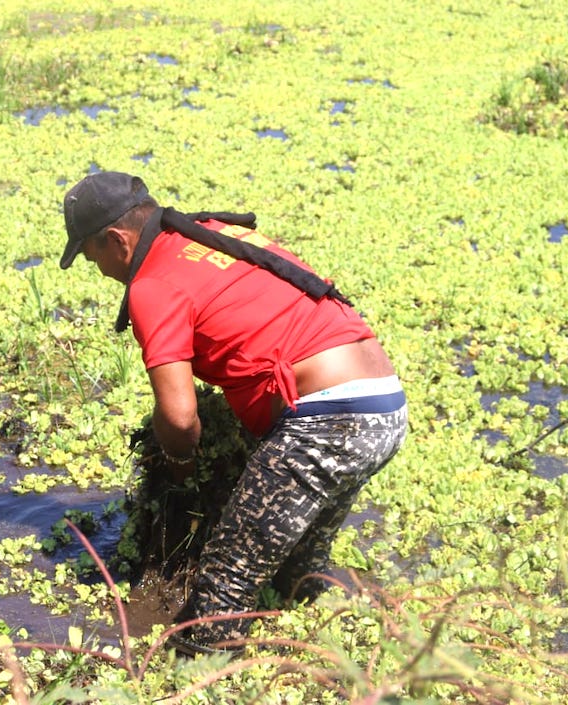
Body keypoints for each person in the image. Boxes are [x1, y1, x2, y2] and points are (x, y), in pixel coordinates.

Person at [58, 171, 408, 656]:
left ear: (116, 240)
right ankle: (310, 654)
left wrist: (181, 468)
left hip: (328, 420)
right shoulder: (214, 231)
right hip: (384, 405)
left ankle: (204, 678)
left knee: (221, 587)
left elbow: (180, 418)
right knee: (297, 572)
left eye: (93, 257)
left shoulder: (153, 284)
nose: (100, 272)